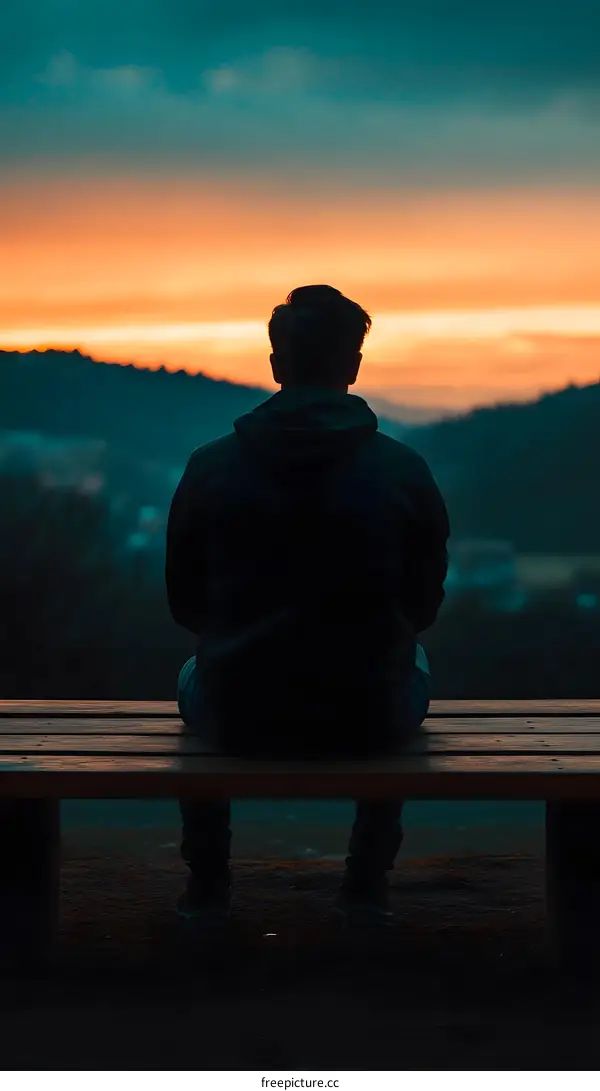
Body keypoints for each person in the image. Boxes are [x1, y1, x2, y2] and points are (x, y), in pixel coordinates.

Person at [166, 284, 450, 928]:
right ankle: (366, 887)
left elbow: (185, 604)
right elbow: (421, 606)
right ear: (351, 365)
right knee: (407, 653)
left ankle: (208, 891)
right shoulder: (403, 469)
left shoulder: (209, 466)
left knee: (196, 666)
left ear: (275, 363)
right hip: (370, 712)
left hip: (238, 710)